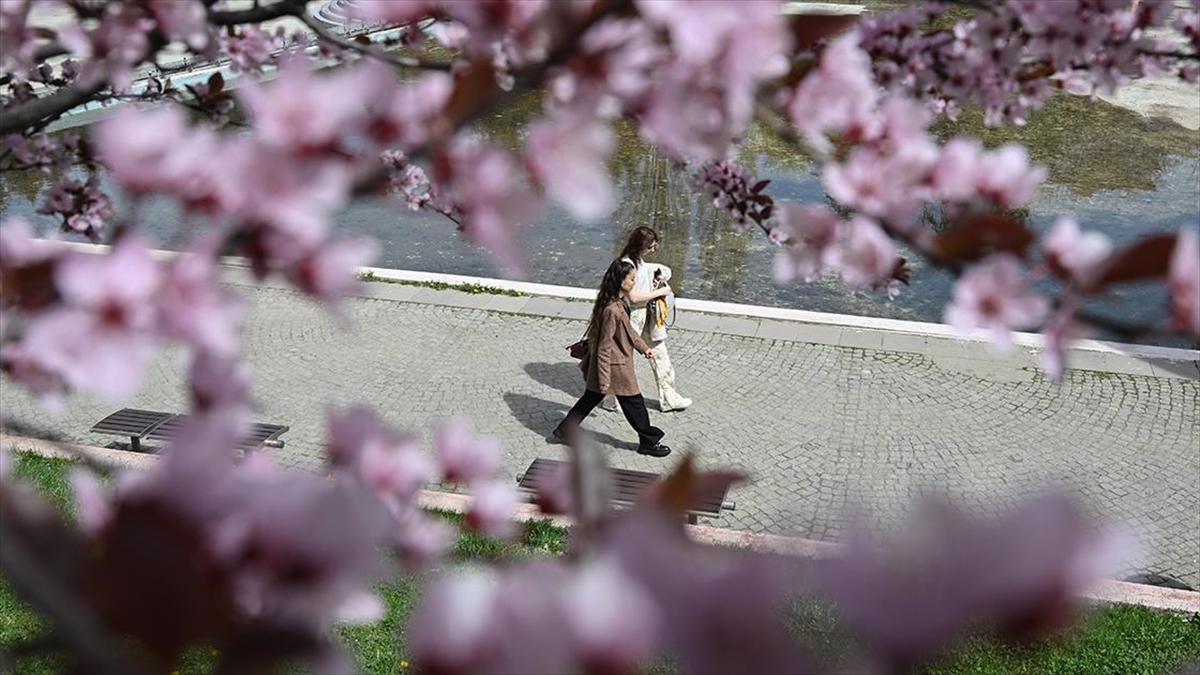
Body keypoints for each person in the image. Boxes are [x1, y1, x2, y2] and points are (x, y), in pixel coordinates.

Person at [552, 259, 671, 458]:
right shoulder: (611, 310)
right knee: (635, 403)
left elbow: (629, 331)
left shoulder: (619, 303)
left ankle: (564, 430)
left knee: (589, 399)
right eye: (631, 279)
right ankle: (648, 442)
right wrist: (604, 378)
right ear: (620, 281)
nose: (634, 282)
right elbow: (604, 347)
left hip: (616, 364)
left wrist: (643, 348)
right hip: (615, 367)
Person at [602, 226, 693, 412]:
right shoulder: (627, 264)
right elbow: (633, 297)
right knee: (622, 357)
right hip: (631, 316)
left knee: (660, 354)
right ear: (640, 246)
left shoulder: (638, 261)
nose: (652, 250)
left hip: (645, 315)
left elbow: (642, 279)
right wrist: (661, 291)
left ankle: (669, 399)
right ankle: (611, 400)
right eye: (651, 247)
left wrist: (656, 276)